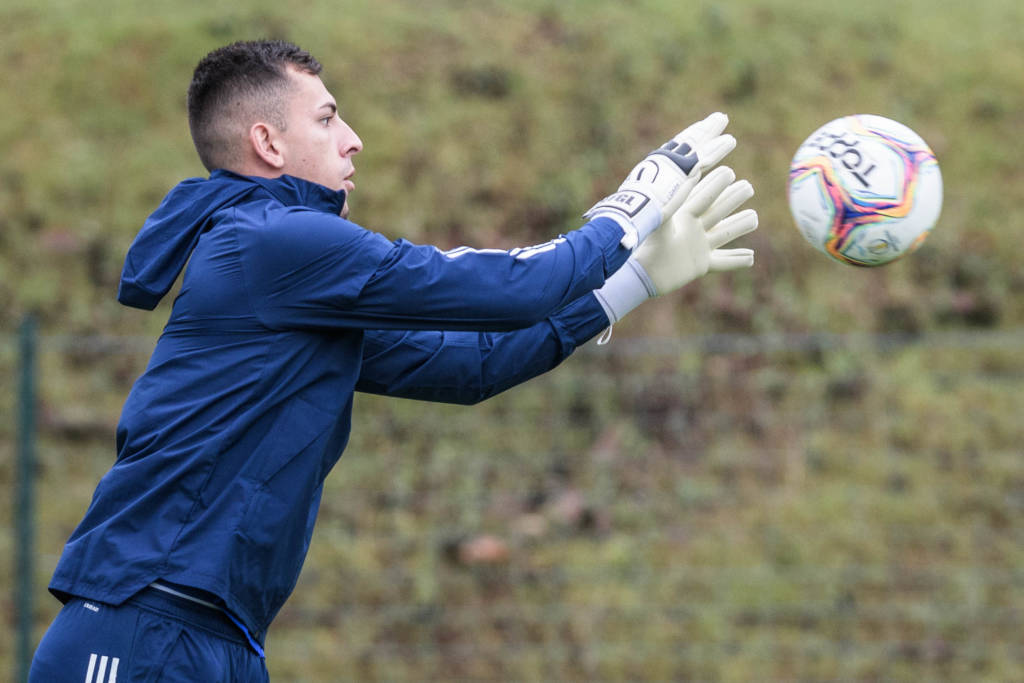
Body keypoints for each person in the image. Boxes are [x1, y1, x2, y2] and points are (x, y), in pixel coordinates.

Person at [29, 39, 757, 682]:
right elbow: (517, 286)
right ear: (267, 143)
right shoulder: (276, 242)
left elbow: (475, 367)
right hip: (143, 626)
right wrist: (634, 204)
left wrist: (633, 282)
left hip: (218, 638)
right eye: (327, 118)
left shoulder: (299, 283)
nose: (354, 140)